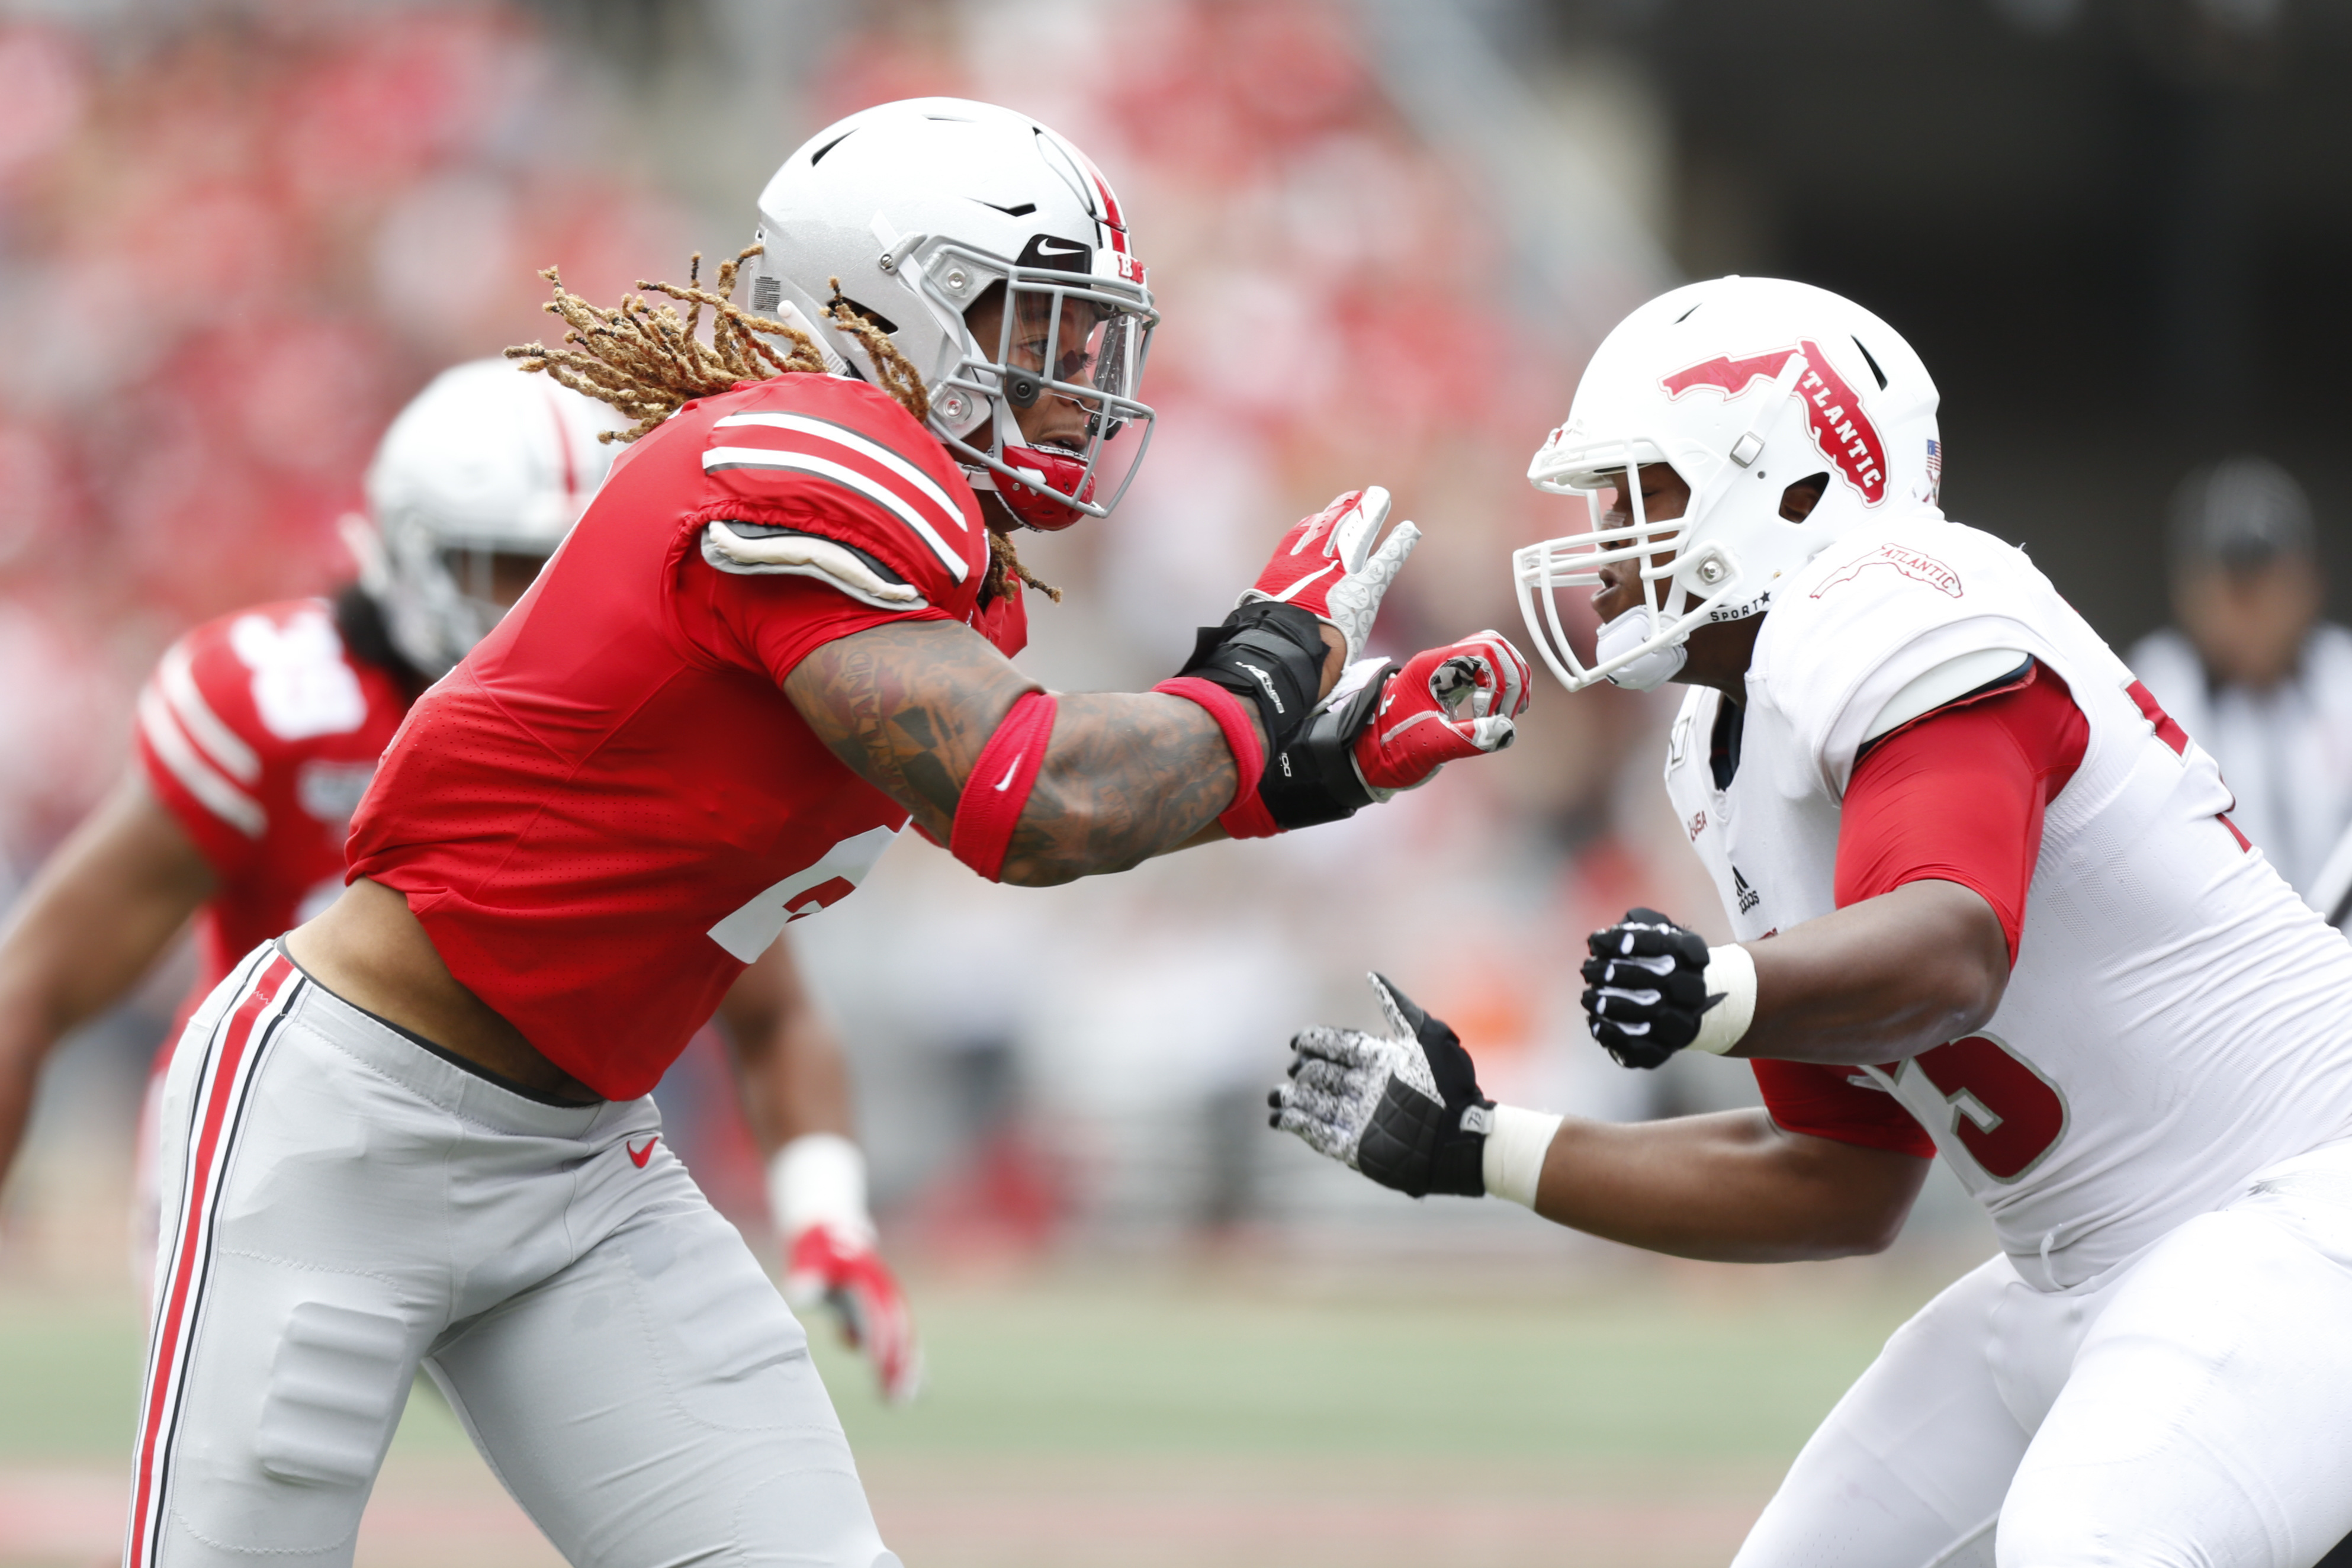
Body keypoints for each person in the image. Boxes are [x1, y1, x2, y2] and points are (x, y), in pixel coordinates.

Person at [126, 97, 1530, 1568]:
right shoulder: (813, 450)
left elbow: (1013, 785)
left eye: (1087, 336)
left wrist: (1298, 774)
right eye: (1034, 328)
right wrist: (1256, 672)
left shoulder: (940, 559)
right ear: (885, 310)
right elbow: (1029, 799)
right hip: (345, 1121)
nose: (1077, 381)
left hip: (577, 1164)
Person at [1273, 275, 2352, 1568]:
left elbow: (1954, 948)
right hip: (2081, 1264)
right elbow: (1840, 1174)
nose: (1610, 538)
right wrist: (1480, 1146)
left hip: (2293, 1212)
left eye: (1645, 490)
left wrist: (1724, 990)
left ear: (1785, 484)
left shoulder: (1899, 593)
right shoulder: (1718, 747)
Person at [0, 358, 921, 1402]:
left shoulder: (645, 733)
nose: (539, 606)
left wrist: (826, 1215)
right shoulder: (277, 704)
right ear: (404, 551)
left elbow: (774, 1012)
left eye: (573, 566)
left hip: (534, 1163)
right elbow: (30, 985)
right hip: (278, 1161)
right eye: (507, 567)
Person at [2127, 457, 2352, 905]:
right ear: (2188, 593)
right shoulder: (2147, 693)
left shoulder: (2342, 678)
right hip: (2216, 961)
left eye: (2269, 584)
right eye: (2233, 589)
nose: (2252, 612)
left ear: (2310, 583)